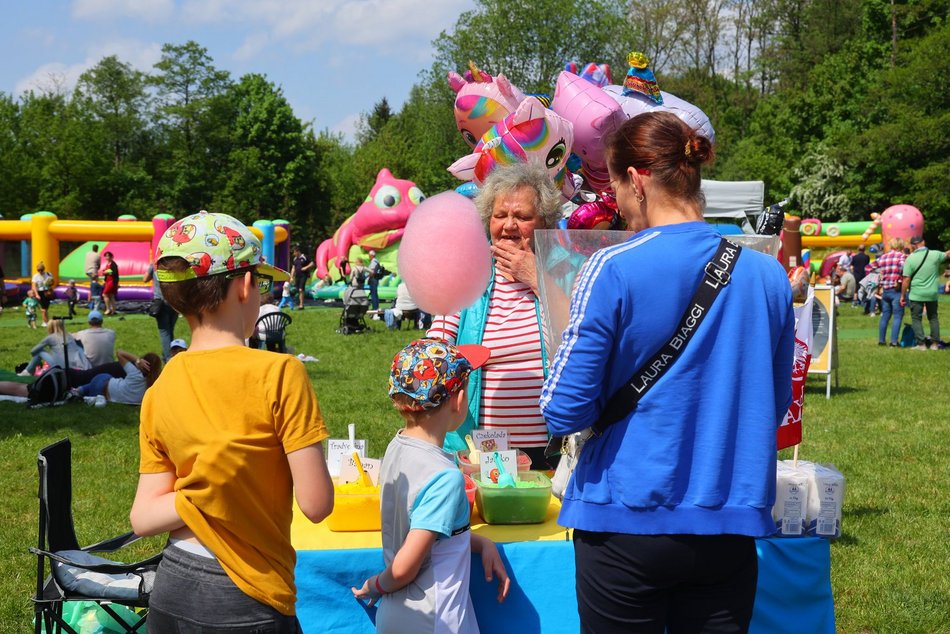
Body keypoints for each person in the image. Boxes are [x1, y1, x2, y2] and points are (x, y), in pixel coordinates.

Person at [540, 111, 794, 634]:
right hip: (728, 517)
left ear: (636, 179)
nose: (617, 203)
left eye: (614, 186)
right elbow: (769, 403)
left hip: (624, 517)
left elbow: (564, 408)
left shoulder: (611, 266)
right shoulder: (768, 274)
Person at [129, 210, 333, 631]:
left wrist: (207, 488)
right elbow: (317, 504)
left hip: (172, 588)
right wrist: (226, 485)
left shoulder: (161, 388)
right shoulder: (281, 372)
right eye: (261, 282)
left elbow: (144, 517)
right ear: (244, 286)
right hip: (247, 597)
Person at [352, 338, 510, 631]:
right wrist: (375, 584)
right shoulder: (445, 477)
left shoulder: (396, 447)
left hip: (397, 616)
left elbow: (429, 534)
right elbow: (403, 569)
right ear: (459, 401)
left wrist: (480, 543)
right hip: (435, 620)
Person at [426, 161, 562, 467]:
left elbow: (585, 329)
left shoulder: (565, 269)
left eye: (522, 217)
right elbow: (439, 340)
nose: (509, 225)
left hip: (552, 450)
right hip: (479, 450)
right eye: (500, 215)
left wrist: (536, 277)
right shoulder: (469, 271)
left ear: (545, 222)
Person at [900, 235, 950, 351]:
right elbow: (947, 254)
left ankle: (921, 344)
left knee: (916, 318)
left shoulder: (910, 259)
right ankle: (935, 344)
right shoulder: (935, 254)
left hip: (916, 293)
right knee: (933, 317)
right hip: (932, 293)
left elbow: (906, 279)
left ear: (913, 245)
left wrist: (902, 295)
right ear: (923, 242)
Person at [72, 349, 162, 405]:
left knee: (105, 376)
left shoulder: (134, 373)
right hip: (111, 397)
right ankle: (83, 394)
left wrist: (138, 360)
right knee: (107, 378)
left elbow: (119, 353)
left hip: (101, 386)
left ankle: (79, 390)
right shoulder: (154, 385)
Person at [866, 237, 907, 346]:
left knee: (885, 316)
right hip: (896, 290)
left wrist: (878, 280)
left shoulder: (883, 257)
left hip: (885, 291)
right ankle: (893, 342)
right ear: (901, 246)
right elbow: (903, 269)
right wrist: (898, 280)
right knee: (897, 316)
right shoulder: (902, 257)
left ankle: (881, 340)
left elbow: (868, 268)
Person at [18, 319, 92, 376]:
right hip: (80, 366)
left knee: (39, 351)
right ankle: (29, 370)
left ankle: (28, 371)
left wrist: (39, 360)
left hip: (62, 367)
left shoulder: (50, 338)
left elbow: (33, 351)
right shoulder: (69, 335)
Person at [144, 262, 179, 362]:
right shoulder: (174, 263)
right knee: (170, 330)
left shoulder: (154, 265)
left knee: (164, 332)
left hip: (161, 303)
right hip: (174, 302)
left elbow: (145, 279)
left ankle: (168, 358)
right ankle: (169, 353)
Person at [291, 244, 315, 310]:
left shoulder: (304, 257)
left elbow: (312, 263)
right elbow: (293, 268)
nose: (294, 254)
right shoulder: (295, 259)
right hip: (297, 276)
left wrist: (306, 267)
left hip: (303, 275)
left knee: (301, 289)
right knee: (298, 290)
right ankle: (299, 303)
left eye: (294, 252)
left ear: (298, 251)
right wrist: (291, 277)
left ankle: (301, 304)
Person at [31, 261, 54, 326]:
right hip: (40, 293)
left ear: (44, 269)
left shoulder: (48, 274)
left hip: (47, 292)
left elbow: (53, 283)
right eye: (39, 270)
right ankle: (44, 322)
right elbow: (34, 286)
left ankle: (47, 321)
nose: (40, 271)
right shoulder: (35, 276)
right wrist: (37, 294)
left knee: (46, 308)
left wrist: (50, 283)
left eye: (41, 270)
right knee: (43, 309)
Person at [100, 251, 119, 315]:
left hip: (112, 281)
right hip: (108, 281)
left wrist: (107, 272)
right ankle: (113, 310)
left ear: (111, 257)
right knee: (111, 295)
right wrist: (104, 273)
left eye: (108, 256)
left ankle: (108, 309)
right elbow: (107, 272)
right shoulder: (107, 264)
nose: (107, 257)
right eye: (106, 256)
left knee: (105, 294)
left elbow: (115, 272)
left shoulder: (113, 264)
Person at [367, 250, 382, 316]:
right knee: (375, 293)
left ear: (371, 255)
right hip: (375, 279)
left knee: (373, 294)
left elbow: (372, 272)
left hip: (373, 279)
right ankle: (376, 307)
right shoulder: (376, 261)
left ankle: (375, 308)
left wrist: (367, 278)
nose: (369, 256)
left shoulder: (373, 262)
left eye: (369, 255)